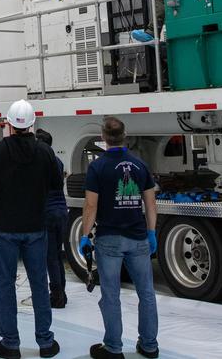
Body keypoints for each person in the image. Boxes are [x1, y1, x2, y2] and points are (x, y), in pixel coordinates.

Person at [0, 99, 61, 359]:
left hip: (6, 229)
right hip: (36, 227)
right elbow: (56, 184)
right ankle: (45, 343)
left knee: (5, 284)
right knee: (39, 283)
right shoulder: (45, 152)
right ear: (32, 123)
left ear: (9, 123)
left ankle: (10, 343)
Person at [78, 117, 158, 359]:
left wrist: (84, 235)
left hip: (109, 239)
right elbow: (150, 203)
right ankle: (149, 345)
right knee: (146, 293)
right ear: (125, 135)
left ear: (103, 137)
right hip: (138, 238)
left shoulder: (97, 167)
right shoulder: (139, 165)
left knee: (111, 294)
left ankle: (113, 348)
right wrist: (152, 232)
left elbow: (91, 206)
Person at [35, 128, 69, 308]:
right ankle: (61, 291)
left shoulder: (39, 163)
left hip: (47, 213)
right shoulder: (58, 162)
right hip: (62, 211)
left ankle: (56, 296)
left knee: (50, 258)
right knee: (57, 254)